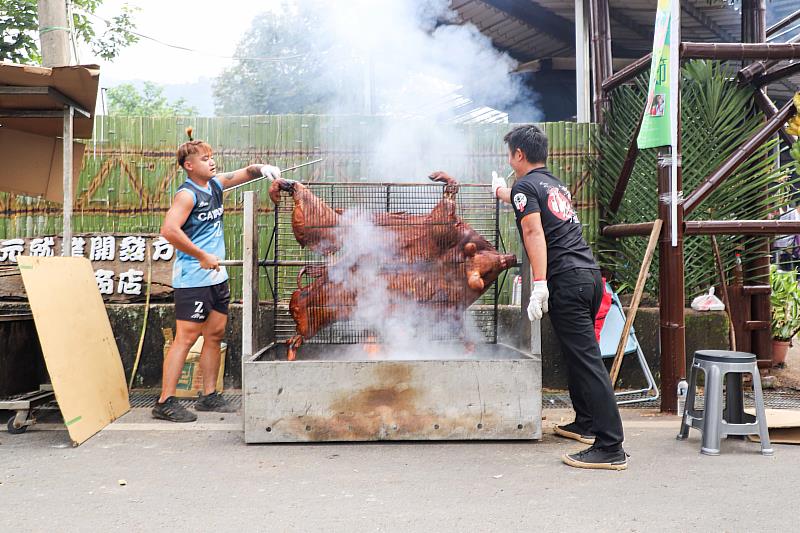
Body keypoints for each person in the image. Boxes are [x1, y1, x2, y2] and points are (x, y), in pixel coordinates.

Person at [492, 124, 627, 470]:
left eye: (510, 155)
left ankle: (610, 446)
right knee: (576, 355)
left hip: (566, 280)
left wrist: (540, 283)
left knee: (587, 362)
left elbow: (534, 230)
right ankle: (585, 423)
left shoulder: (525, 186)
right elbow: (529, 202)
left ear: (519, 155)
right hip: (589, 277)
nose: (509, 160)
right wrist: (503, 193)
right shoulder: (553, 184)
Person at [152, 128, 281, 422]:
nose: (212, 162)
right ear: (189, 165)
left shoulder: (216, 186)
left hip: (216, 279)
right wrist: (200, 255)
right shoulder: (186, 195)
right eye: (205, 159)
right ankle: (164, 402)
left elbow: (245, 173)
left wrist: (263, 169)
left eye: (212, 157)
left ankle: (209, 396)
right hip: (193, 278)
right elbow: (168, 230)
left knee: (214, 334)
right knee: (186, 337)